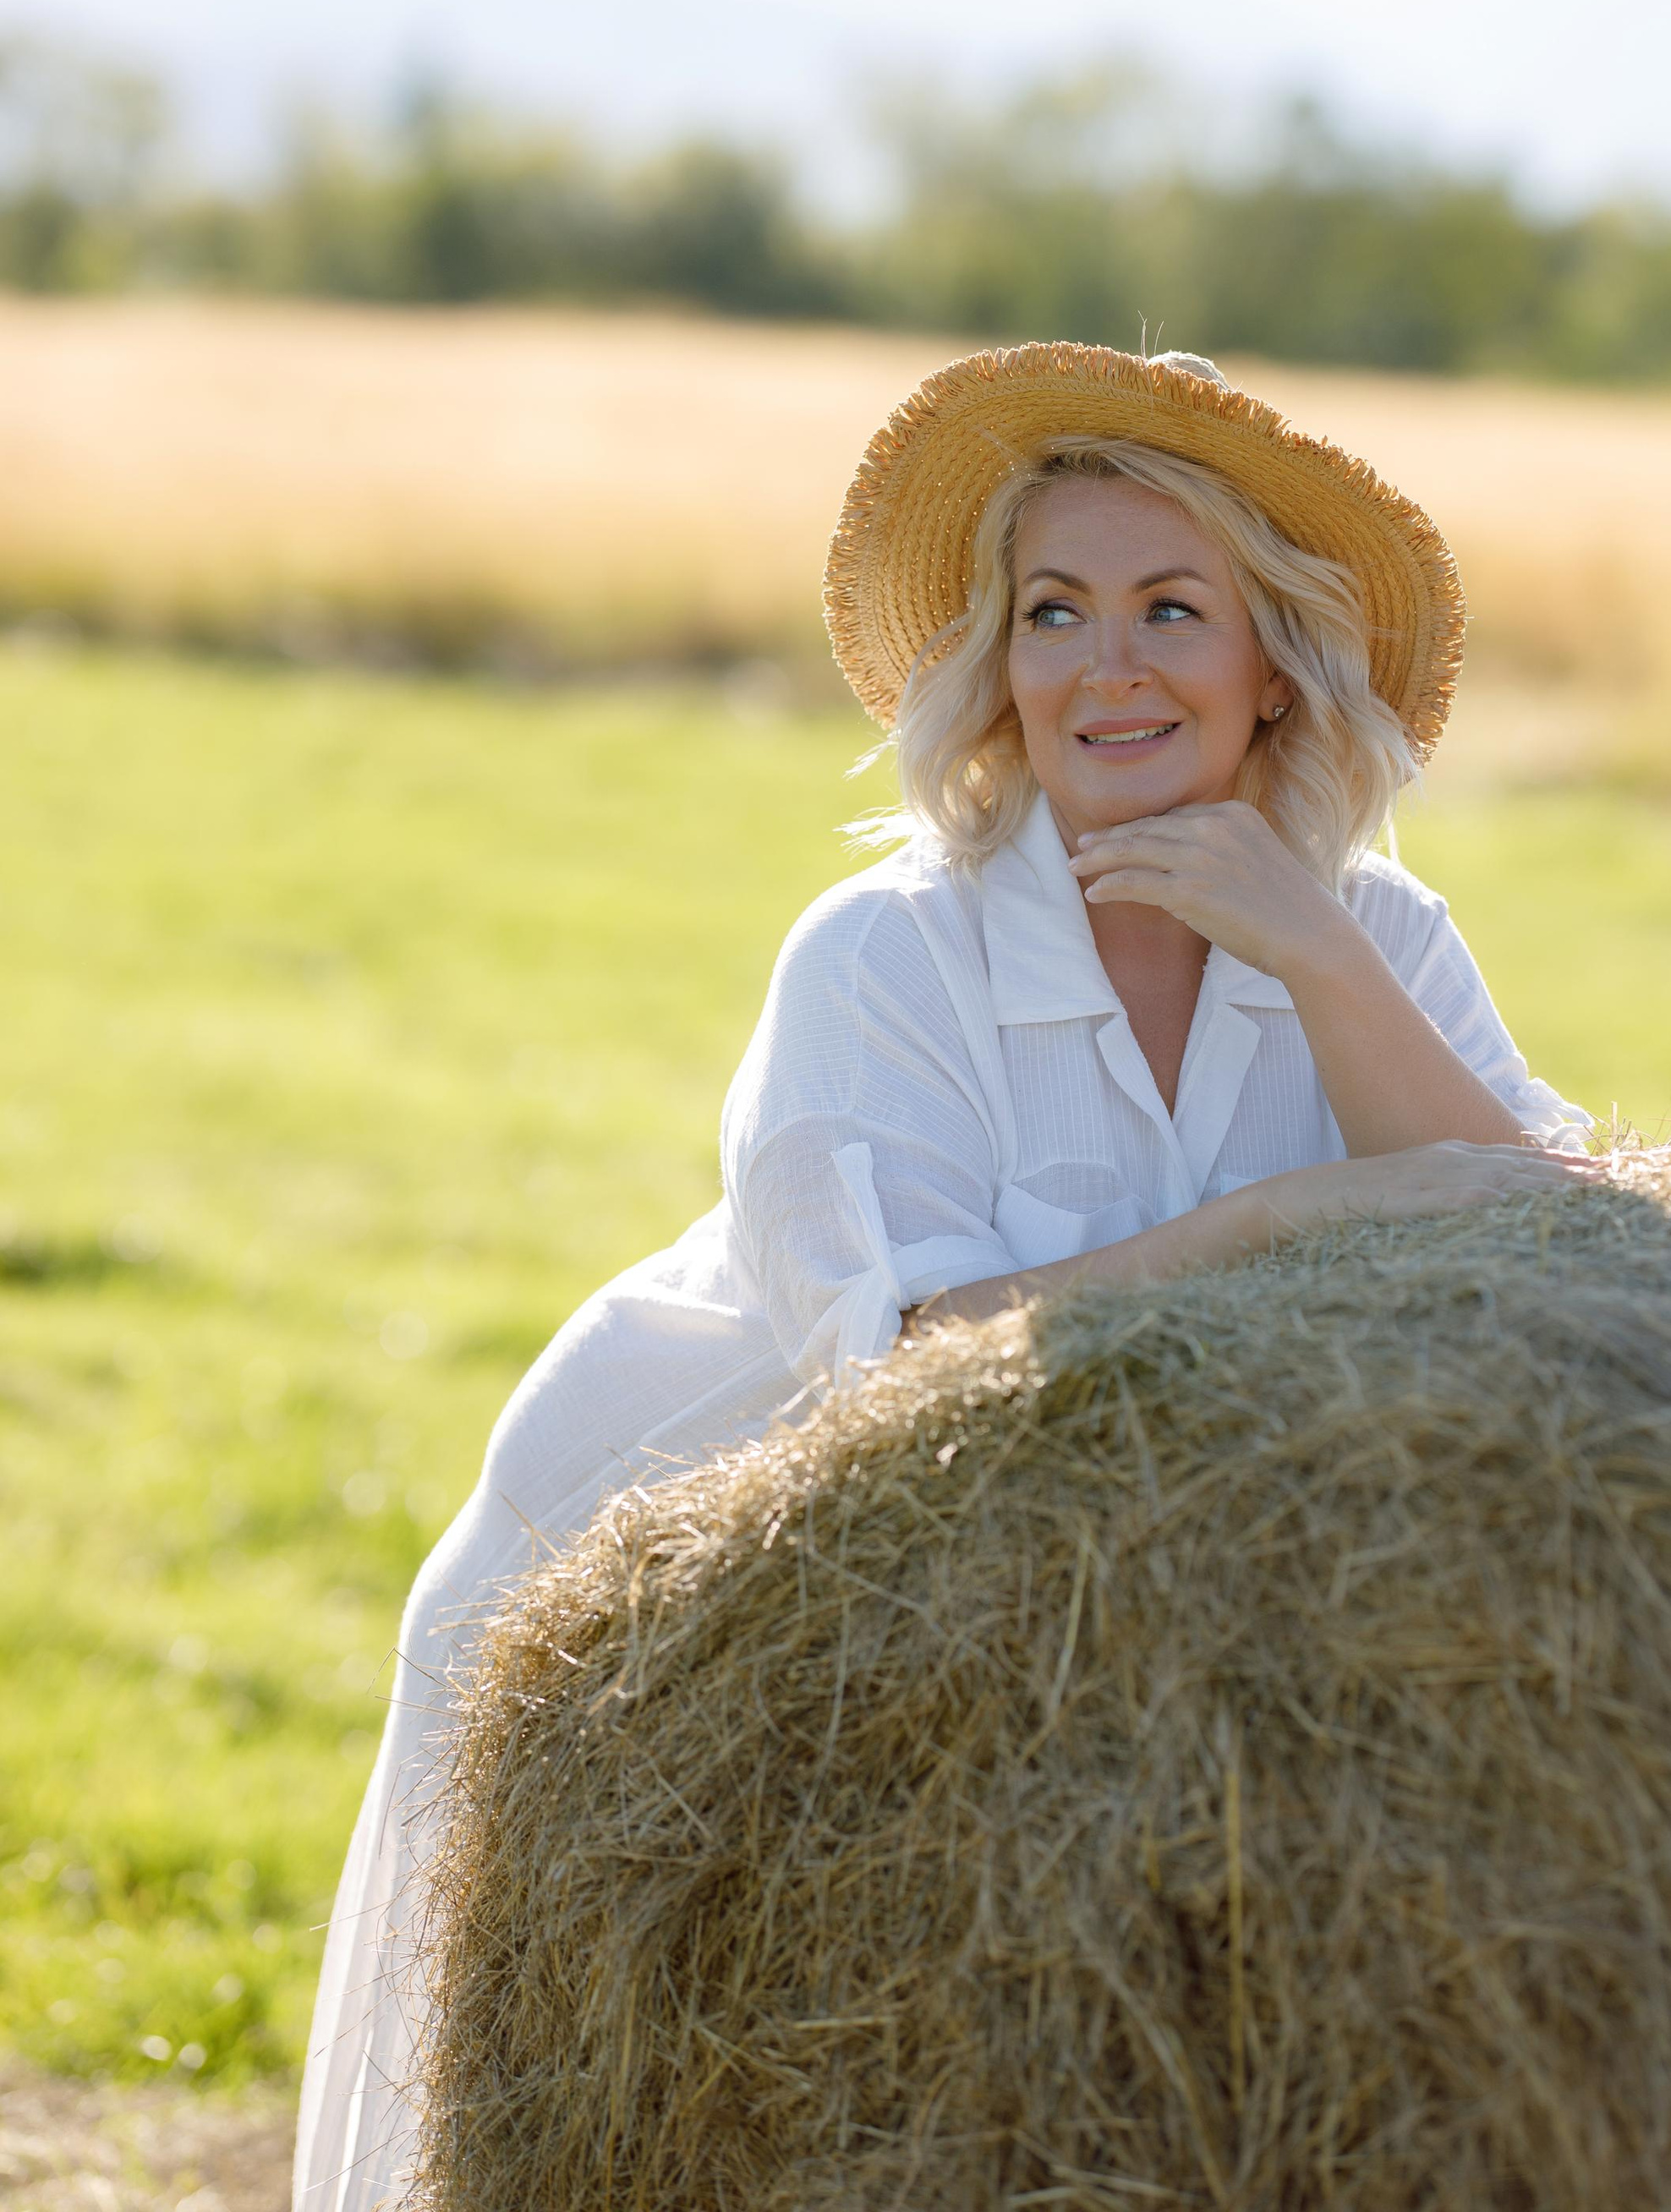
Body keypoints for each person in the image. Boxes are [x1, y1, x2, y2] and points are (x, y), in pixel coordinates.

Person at [293, 343, 1596, 2211]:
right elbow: (909, 1367)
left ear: (1270, 664)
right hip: (660, 1624)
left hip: (1034, 1631)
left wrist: (1316, 953)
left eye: (1171, 608)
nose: (1106, 664)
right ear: (995, 664)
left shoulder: (1371, 934)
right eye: (1051, 612)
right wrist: (1275, 1231)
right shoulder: (881, 956)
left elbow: (1554, 1221)